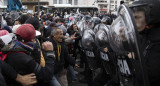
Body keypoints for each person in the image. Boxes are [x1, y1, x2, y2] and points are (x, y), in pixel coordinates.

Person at [130, 0, 160, 85]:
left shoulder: (156, 42)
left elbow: (148, 75)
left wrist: (131, 60)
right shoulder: (145, 36)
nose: (133, 21)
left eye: (137, 17)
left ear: (151, 17)